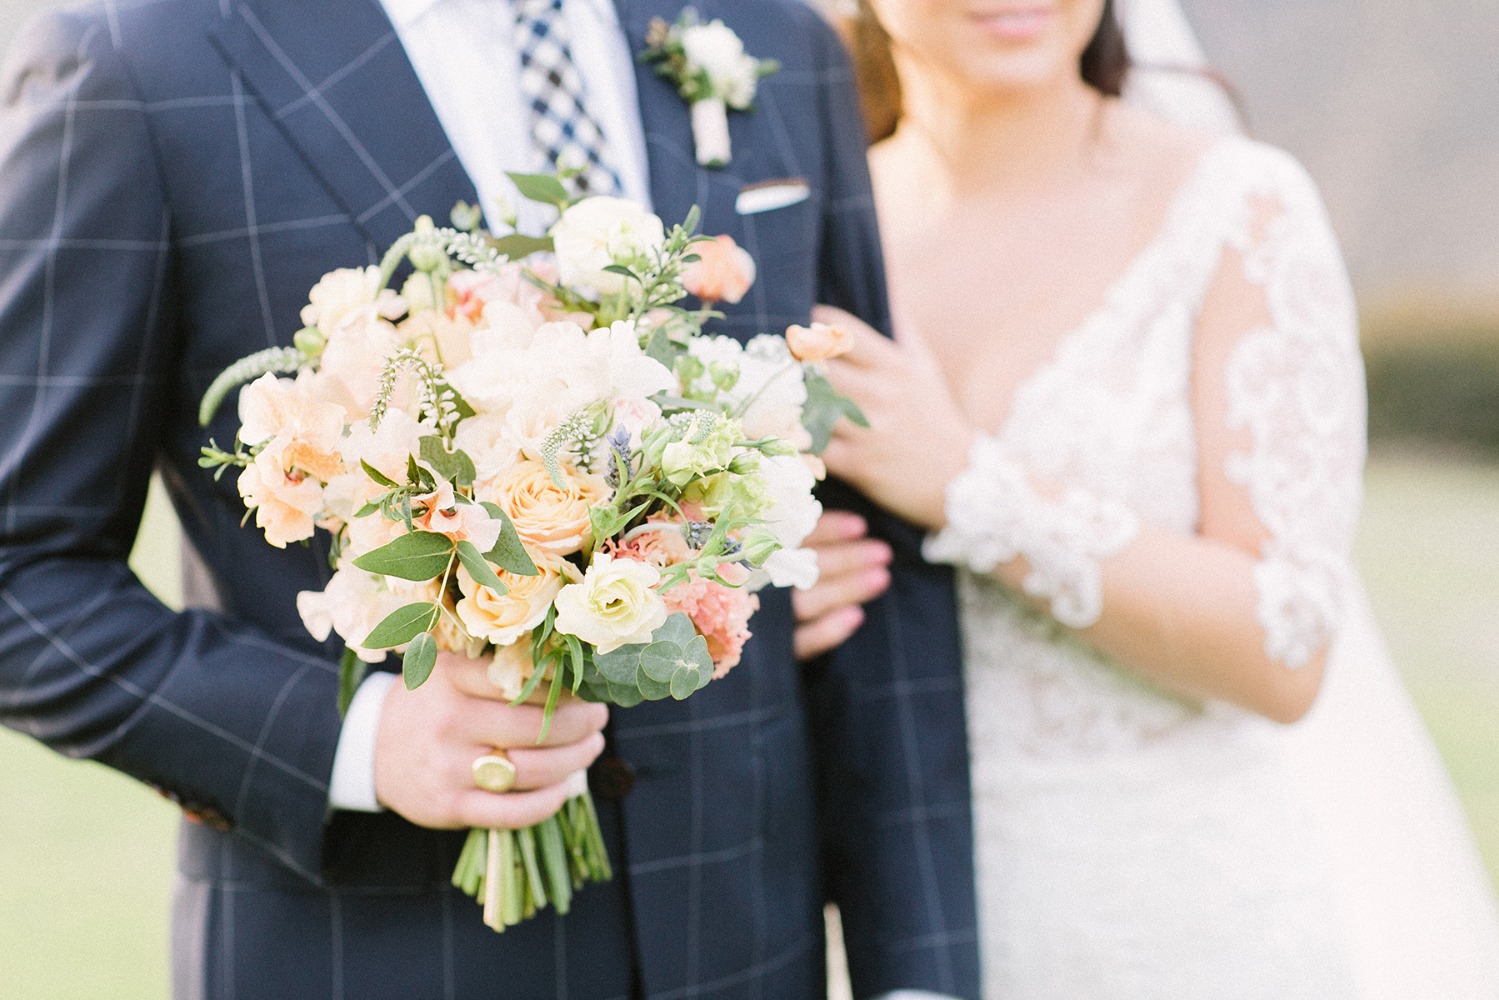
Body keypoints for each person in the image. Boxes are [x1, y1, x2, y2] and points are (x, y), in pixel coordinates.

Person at [0, 1, 981, 998]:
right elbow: (19, 575)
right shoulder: (135, 56)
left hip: (742, 944)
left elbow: (868, 523)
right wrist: (357, 739)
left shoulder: (776, 39)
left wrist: (920, 975)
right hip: (373, 952)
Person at [795, 0, 1499, 997]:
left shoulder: (1232, 208)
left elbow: (1286, 644)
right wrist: (776, 596)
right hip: (877, 927)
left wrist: (965, 485)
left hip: (1177, 924)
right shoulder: (798, 224)